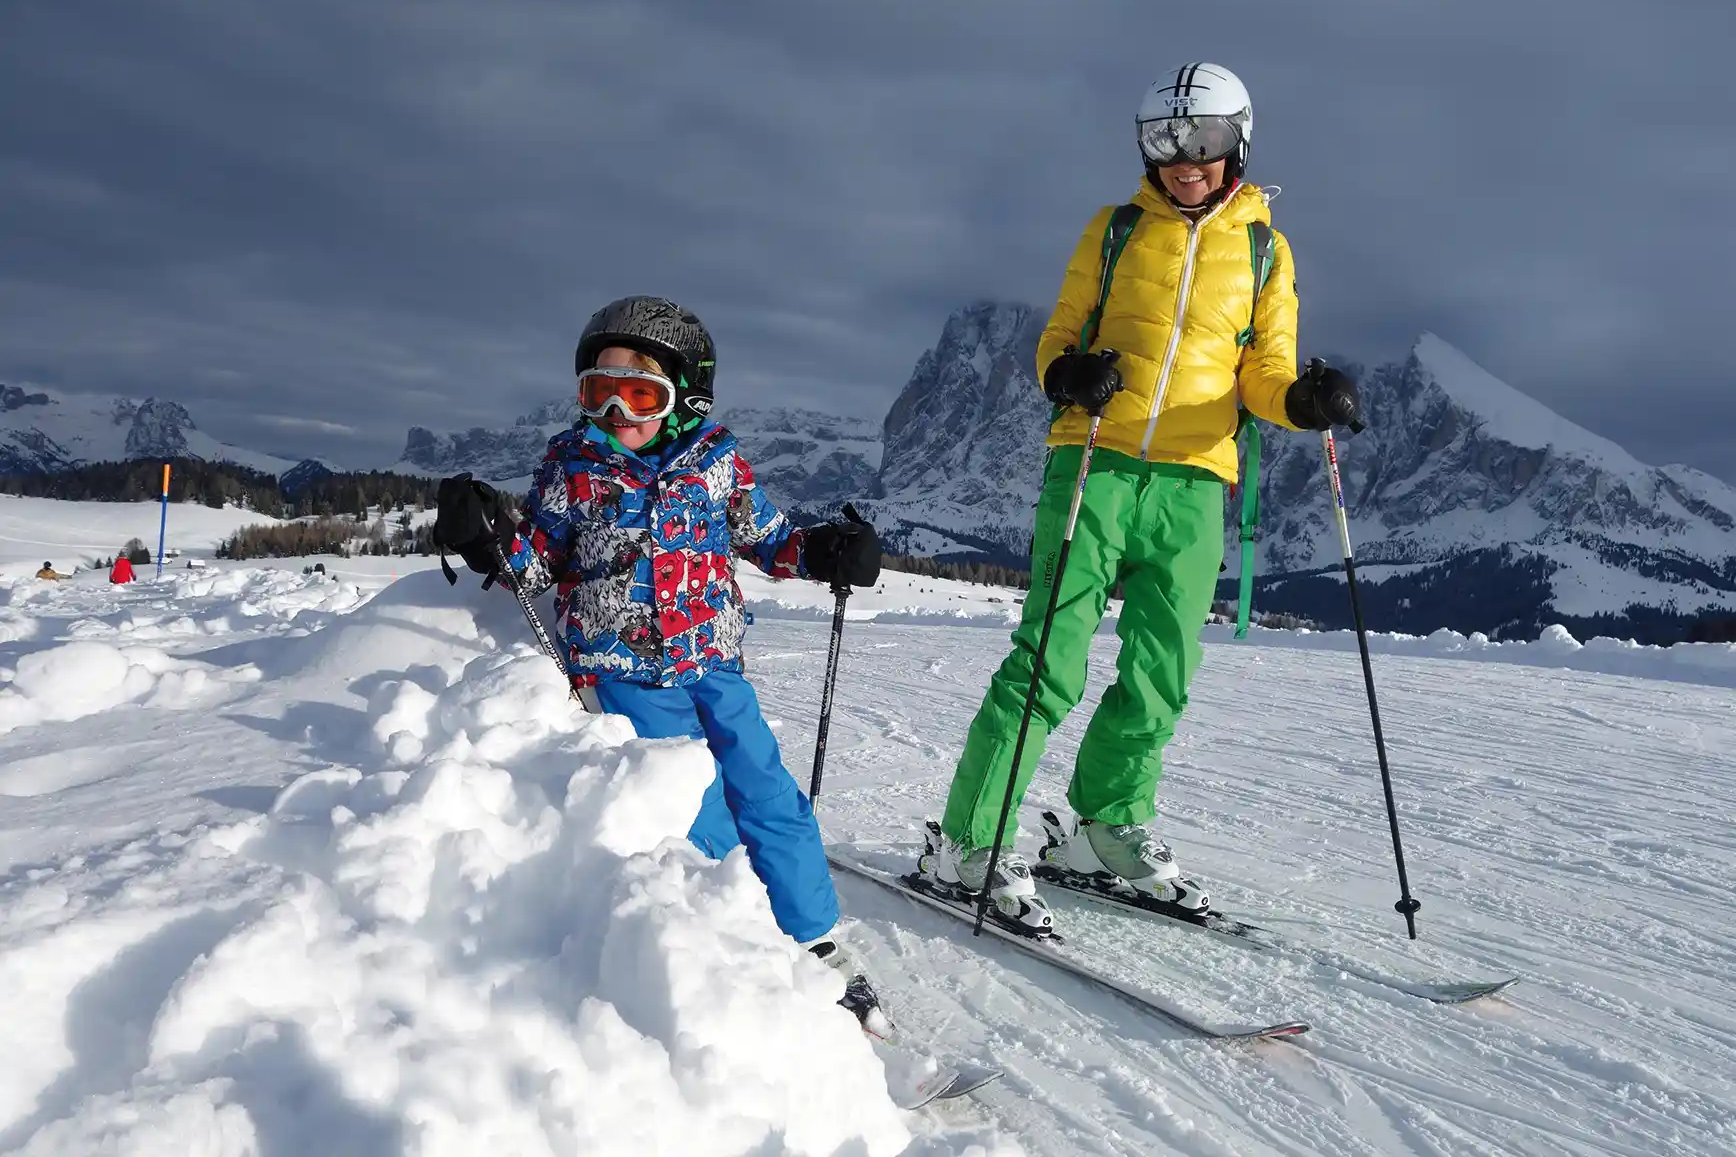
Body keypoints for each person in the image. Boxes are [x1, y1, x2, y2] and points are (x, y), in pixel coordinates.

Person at [922, 63, 1362, 932]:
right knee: (1049, 660)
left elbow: (1265, 371)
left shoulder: (1266, 250)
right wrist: (1066, 373)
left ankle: (1104, 827)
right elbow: (1060, 333)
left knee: (1162, 675)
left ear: (1235, 144)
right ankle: (966, 841)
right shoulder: (1115, 229)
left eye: (1200, 142)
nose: (1182, 159)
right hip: (1096, 459)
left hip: (1199, 480)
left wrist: (1299, 404)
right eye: (1163, 141)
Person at [432, 296, 888, 1031]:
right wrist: (486, 538)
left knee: (766, 792)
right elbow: (537, 563)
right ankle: (746, 945)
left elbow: (768, 538)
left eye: (639, 392)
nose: (615, 409)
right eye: (597, 390)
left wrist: (825, 551)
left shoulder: (715, 460)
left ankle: (815, 939)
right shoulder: (572, 465)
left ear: (686, 396)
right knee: (697, 804)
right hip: (621, 666)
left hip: (713, 658)